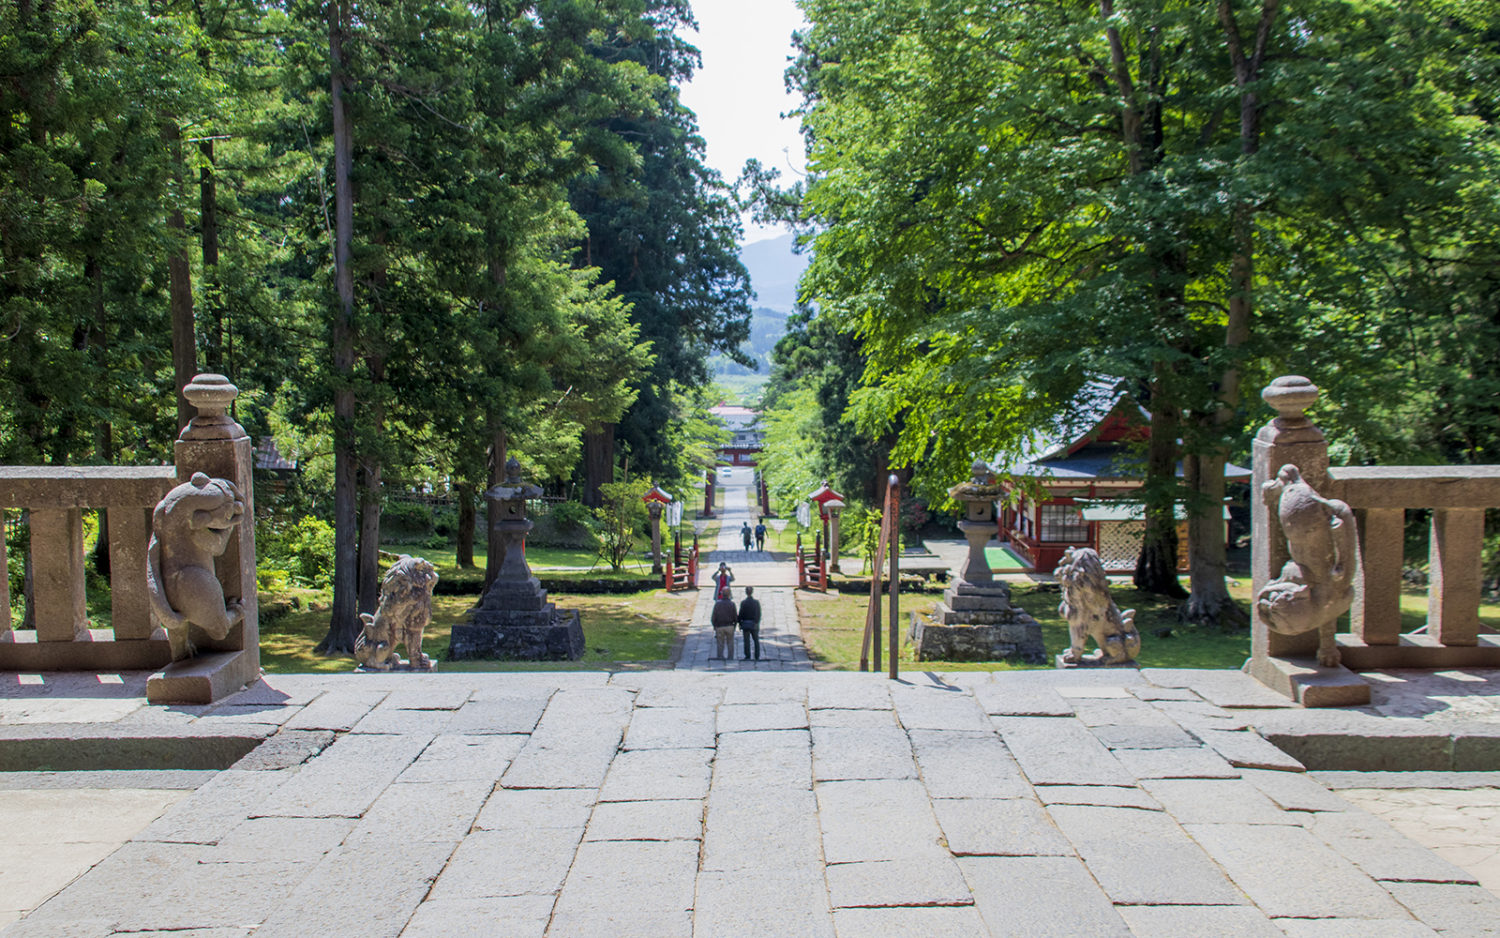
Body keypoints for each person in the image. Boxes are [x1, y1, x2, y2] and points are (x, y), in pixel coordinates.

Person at [711, 590, 739, 660]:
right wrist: (734, 626)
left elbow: (713, 616)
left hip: (720, 626)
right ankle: (730, 657)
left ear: (722, 594)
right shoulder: (732, 604)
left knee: (720, 643)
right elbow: (735, 616)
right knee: (730, 643)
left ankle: (720, 656)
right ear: (729, 594)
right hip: (730, 625)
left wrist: (715, 626)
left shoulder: (717, 604)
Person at [738, 585, 762, 660]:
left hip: (745, 623)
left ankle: (747, 655)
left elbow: (741, 613)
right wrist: (756, 622)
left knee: (746, 641)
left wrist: (740, 622)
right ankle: (757, 655)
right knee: (756, 640)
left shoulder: (743, 603)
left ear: (746, 592)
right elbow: (758, 613)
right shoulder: (756, 602)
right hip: (754, 623)